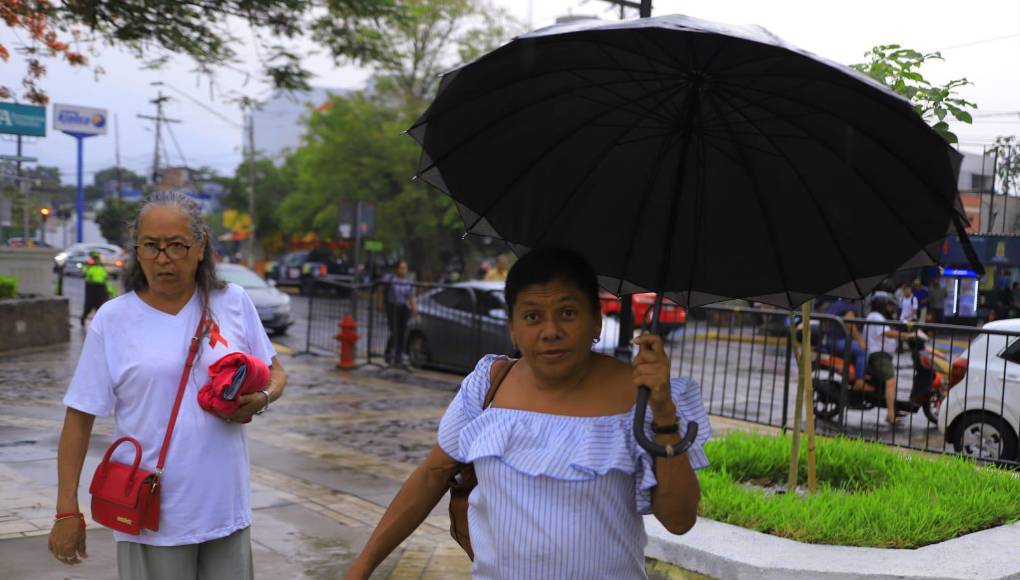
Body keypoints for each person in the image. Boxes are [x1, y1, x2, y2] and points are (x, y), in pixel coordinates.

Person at [345, 247, 710, 580]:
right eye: (533, 316)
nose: (550, 331)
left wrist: (662, 413)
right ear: (513, 328)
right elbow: (432, 476)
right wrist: (363, 566)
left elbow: (679, 520)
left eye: (567, 312)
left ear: (596, 321)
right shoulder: (488, 385)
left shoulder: (645, 396)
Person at [49, 191, 288, 579]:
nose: (163, 258)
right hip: (149, 515)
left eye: (177, 246)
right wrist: (66, 510)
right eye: (151, 246)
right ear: (137, 251)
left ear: (200, 248)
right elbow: (79, 418)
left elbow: (276, 373)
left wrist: (261, 397)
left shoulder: (232, 302)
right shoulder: (114, 319)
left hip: (224, 508)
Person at [865, 293, 914, 426]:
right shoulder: (876, 316)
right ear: (881, 305)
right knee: (891, 382)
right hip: (878, 354)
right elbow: (886, 333)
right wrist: (906, 335)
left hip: (883, 354)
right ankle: (891, 416)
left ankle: (891, 411)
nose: (891, 308)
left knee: (890, 382)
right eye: (889, 305)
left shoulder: (879, 317)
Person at [824, 298, 869, 392]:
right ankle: (860, 381)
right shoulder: (849, 307)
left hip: (830, 341)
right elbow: (850, 325)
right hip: (839, 341)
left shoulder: (834, 304)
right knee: (862, 352)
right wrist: (861, 342)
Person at [382, 260, 417, 368]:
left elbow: (411, 296)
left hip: (403, 308)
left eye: (405, 268)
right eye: (401, 268)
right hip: (392, 307)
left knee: (402, 332)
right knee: (394, 331)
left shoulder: (408, 282)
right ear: (397, 269)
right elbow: (381, 288)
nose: (404, 270)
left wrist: (414, 310)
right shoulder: (390, 278)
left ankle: (398, 356)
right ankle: (388, 353)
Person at [80, 250, 117, 327]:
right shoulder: (88, 267)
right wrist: (89, 264)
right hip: (91, 288)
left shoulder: (101, 268)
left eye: (97, 258)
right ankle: (83, 319)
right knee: (88, 307)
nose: (96, 260)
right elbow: (84, 273)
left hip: (100, 289)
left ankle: (100, 326)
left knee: (100, 308)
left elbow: (106, 280)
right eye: (94, 258)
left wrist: (110, 291)